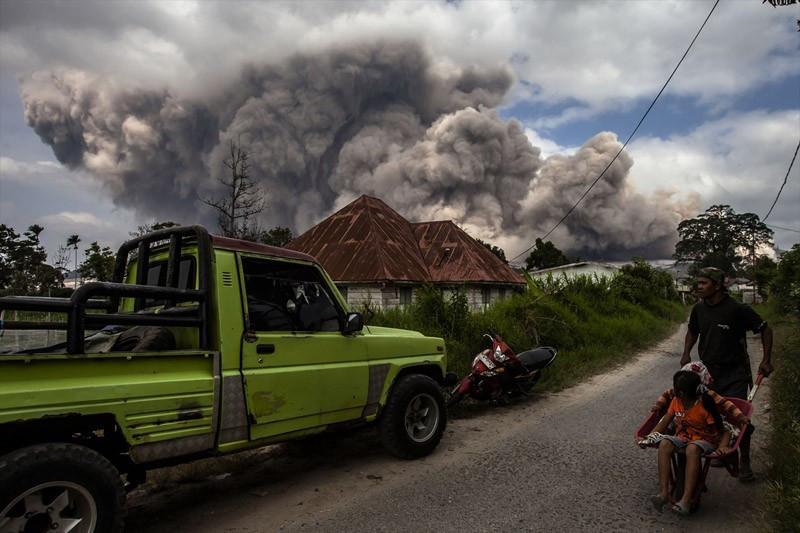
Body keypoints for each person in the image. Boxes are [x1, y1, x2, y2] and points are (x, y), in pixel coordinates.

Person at [680, 267, 773, 481]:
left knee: (738, 416)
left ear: (718, 285)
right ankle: (721, 452)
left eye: (703, 283)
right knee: (713, 415)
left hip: (735, 372)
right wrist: (686, 353)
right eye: (699, 283)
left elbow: (765, 329)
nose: (699, 287)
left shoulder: (737, 309)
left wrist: (766, 360)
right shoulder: (698, 309)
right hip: (709, 372)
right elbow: (693, 331)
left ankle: (744, 461)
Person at [641, 370, 732, 516]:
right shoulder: (676, 402)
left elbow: (725, 431)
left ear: (681, 393)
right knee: (664, 444)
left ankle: (686, 500)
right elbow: (665, 422)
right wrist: (649, 437)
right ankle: (663, 493)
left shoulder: (704, 406)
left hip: (705, 441)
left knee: (692, 449)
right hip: (683, 437)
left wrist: (722, 447)